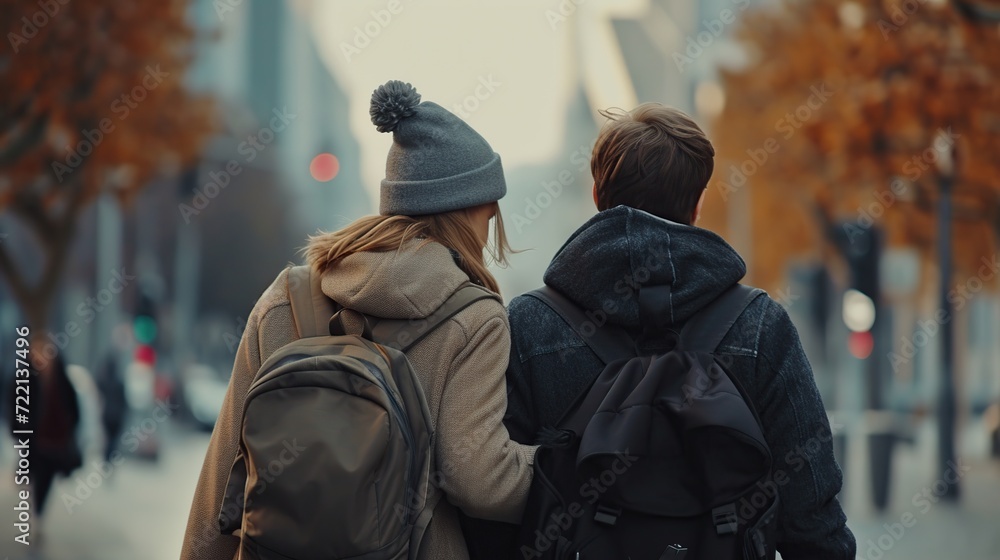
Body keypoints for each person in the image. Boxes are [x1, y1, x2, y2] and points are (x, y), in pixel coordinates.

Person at [463, 104, 856, 559]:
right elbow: (811, 516)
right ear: (699, 203)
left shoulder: (531, 324)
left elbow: (494, 512)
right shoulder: (760, 325)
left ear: (596, 194)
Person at [180, 80, 536, 560]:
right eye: (490, 215)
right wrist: (562, 469)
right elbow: (481, 479)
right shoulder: (476, 319)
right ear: (472, 206)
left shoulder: (287, 296)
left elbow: (224, 473)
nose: (490, 230)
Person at [7, 348, 82, 533]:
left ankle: (38, 514)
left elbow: (73, 409)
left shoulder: (61, 379)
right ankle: (35, 513)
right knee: (34, 477)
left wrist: (69, 429)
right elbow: (15, 406)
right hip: (34, 441)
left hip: (54, 441)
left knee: (45, 480)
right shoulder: (26, 378)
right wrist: (18, 430)